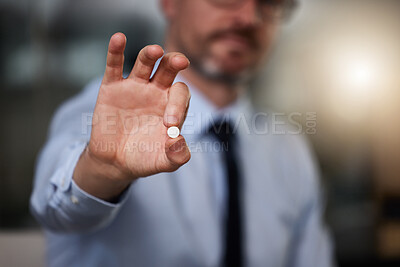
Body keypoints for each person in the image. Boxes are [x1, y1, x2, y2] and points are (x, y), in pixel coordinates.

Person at [30, 0, 334, 266]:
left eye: (269, 2)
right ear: (170, 2)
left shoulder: (290, 151)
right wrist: (102, 170)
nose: (249, 18)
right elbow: (55, 207)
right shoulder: (100, 114)